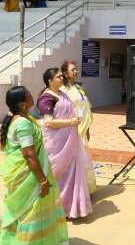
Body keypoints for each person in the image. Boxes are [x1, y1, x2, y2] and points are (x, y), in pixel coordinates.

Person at [0, 86, 69, 244]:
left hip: (23, 173)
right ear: (22, 104)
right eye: (29, 96)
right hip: (27, 176)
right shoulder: (23, 124)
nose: (33, 97)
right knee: (30, 212)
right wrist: (43, 180)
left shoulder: (22, 119)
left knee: (27, 210)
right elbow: (29, 154)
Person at [37, 68, 93, 220]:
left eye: (61, 76)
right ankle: (54, 208)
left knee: (71, 173)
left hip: (70, 141)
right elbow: (48, 122)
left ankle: (70, 208)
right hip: (56, 144)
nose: (62, 78)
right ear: (50, 81)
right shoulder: (46, 98)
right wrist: (70, 121)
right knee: (58, 174)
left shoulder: (62, 94)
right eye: (58, 77)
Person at [60, 62, 97, 195]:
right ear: (65, 73)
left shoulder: (78, 88)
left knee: (84, 157)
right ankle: (72, 189)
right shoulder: (62, 90)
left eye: (76, 69)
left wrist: (87, 129)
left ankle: (84, 188)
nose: (75, 71)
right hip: (70, 128)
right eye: (72, 70)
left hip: (81, 128)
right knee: (72, 158)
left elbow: (85, 108)